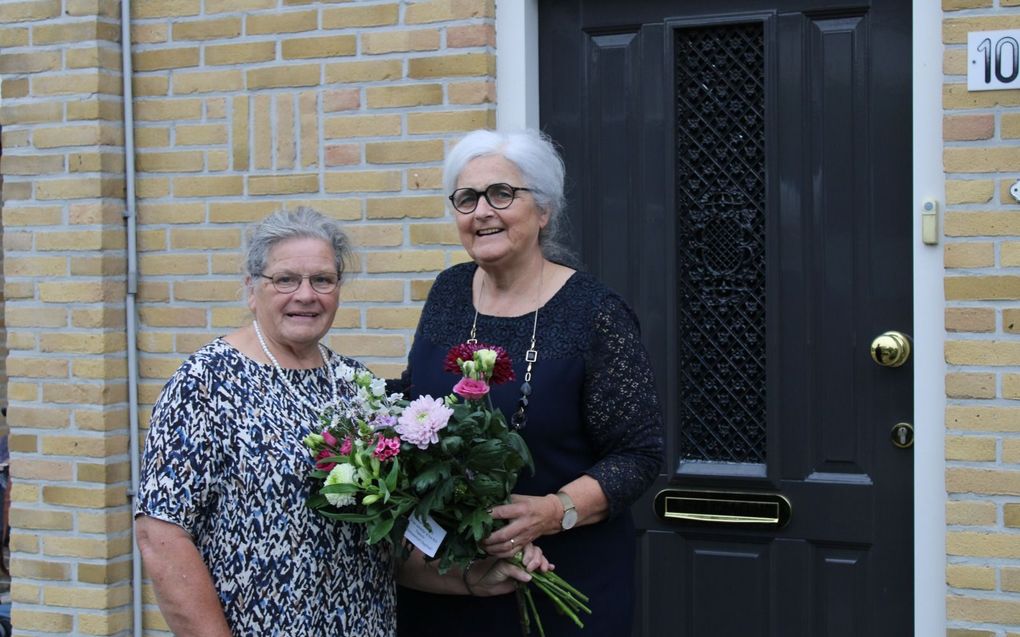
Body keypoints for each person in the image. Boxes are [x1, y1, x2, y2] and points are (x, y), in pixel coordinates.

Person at [135, 208, 547, 637]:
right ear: (251, 288)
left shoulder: (356, 385)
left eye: (323, 280)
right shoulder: (205, 382)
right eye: (285, 279)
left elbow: (384, 545)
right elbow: (162, 538)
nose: (306, 295)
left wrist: (475, 578)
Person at [394, 130, 665, 636]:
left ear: (542, 211)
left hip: (560, 578)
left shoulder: (594, 313)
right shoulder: (448, 292)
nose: (482, 212)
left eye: (502, 194)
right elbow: (417, 397)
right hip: (449, 578)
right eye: (466, 198)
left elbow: (639, 454)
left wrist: (553, 511)